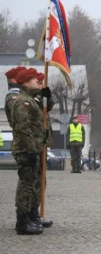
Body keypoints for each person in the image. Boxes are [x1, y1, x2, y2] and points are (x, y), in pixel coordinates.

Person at [11, 68, 45, 235]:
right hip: (26, 150)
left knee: (33, 184)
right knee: (26, 185)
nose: (37, 82)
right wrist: (31, 150)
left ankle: (31, 217)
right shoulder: (22, 102)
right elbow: (23, 128)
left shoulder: (31, 100)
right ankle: (22, 222)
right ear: (25, 83)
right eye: (33, 80)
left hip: (33, 148)